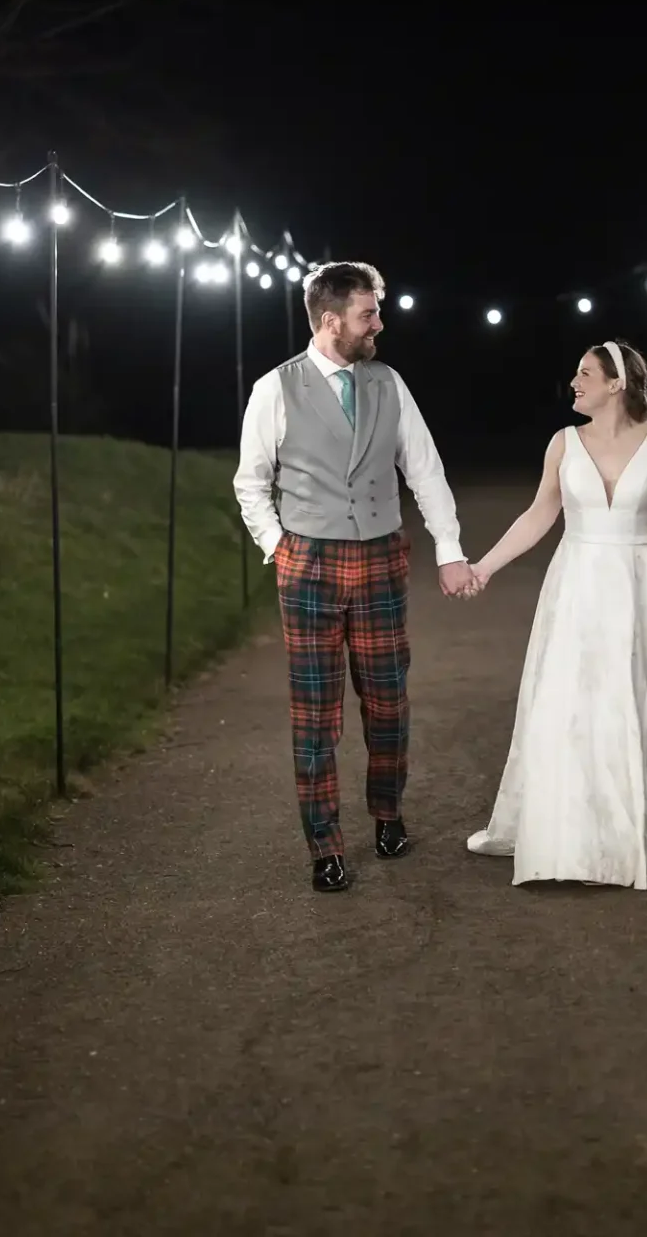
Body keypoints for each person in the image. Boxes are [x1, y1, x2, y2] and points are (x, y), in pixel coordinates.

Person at [461, 339, 647, 888]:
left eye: (586, 373)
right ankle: (579, 832)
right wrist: (485, 566)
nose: (575, 382)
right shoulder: (564, 444)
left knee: (641, 695)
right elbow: (540, 513)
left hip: (644, 577)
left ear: (617, 384)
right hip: (580, 581)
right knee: (577, 699)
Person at [233, 261, 477, 894]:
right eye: (369, 313)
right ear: (330, 319)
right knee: (315, 714)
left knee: (388, 702)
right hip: (308, 563)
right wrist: (278, 548)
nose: (380, 323)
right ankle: (325, 847)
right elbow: (251, 482)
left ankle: (388, 814)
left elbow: (424, 468)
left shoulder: (388, 383)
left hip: (379, 558)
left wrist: (448, 547)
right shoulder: (274, 388)